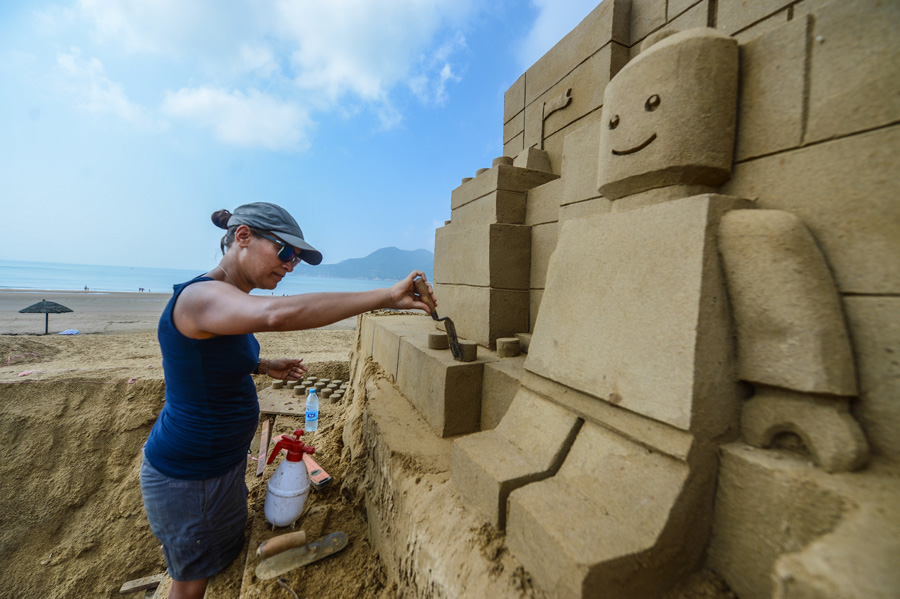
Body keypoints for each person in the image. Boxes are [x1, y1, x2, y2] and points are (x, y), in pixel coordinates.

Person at [140, 202, 435, 599]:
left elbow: (205, 356)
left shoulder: (227, 297)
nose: (291, 264)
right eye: (284, 251)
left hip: (220, 468)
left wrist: (260, 365)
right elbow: (277, 315)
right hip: (191, 476)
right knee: (189, 583)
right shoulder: (199, 298)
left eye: (296, 257)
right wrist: (384, 296)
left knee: (218, 558)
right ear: (242, 237)